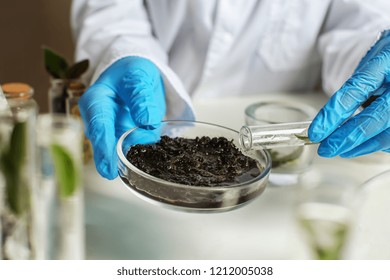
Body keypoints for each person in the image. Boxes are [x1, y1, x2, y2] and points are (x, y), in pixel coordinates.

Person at [71, 0, 390, 180]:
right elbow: (108, 8)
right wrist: (122, 49)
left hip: (288, 174)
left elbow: (362, 19)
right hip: (148, 111)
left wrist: (376, 62)